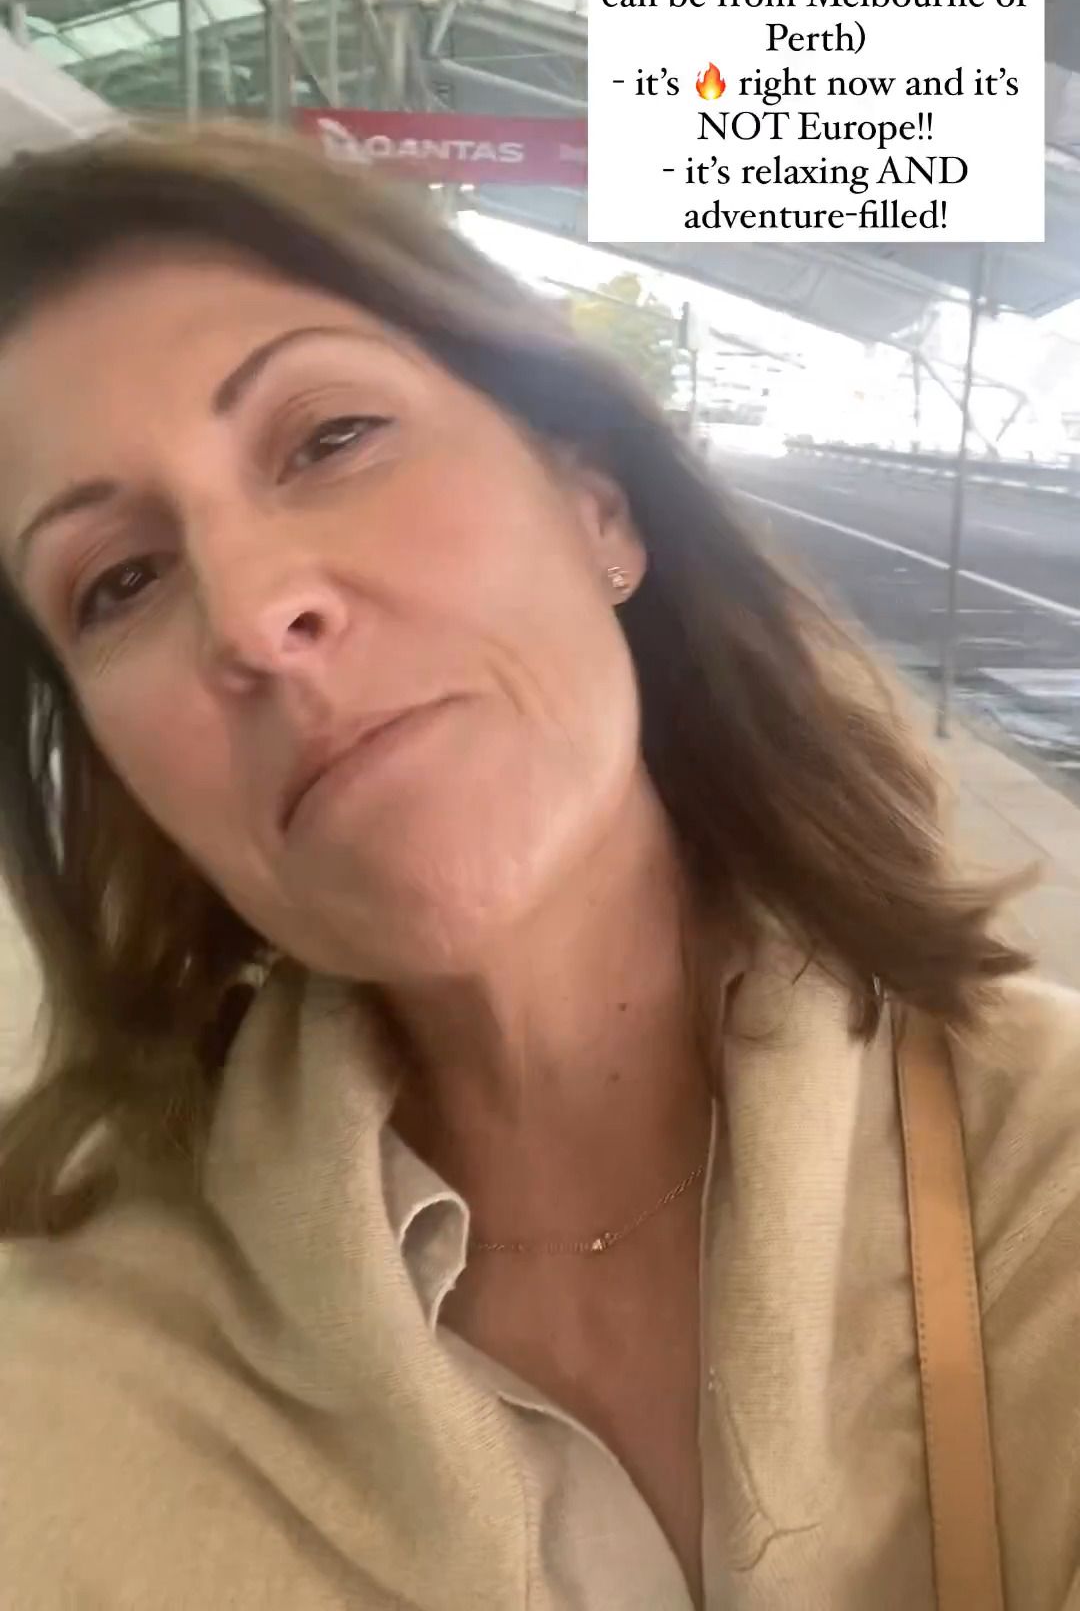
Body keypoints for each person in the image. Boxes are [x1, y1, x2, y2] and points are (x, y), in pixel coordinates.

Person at [0, 122, 1076, 1611]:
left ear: (596, 504)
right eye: (118, 581)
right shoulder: (60, 1390)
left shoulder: (1046, 1168)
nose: (250, 616)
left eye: (330, 439)